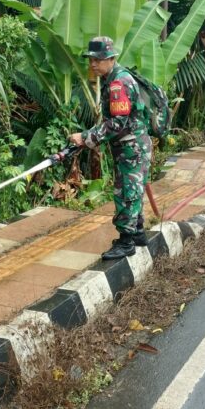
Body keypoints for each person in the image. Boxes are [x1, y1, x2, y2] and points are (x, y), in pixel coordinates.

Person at [69, 37, 153, 260]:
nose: (93, 64)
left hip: (131, 149)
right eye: (91, 60)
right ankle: (138, 234)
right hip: (133, 146)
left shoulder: (118, 84)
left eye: (98, 60)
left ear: (111, 58)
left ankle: (126, 242)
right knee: (133, 190)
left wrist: (85, 137)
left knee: (126, 192)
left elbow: (117, 124)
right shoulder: (114, 78)